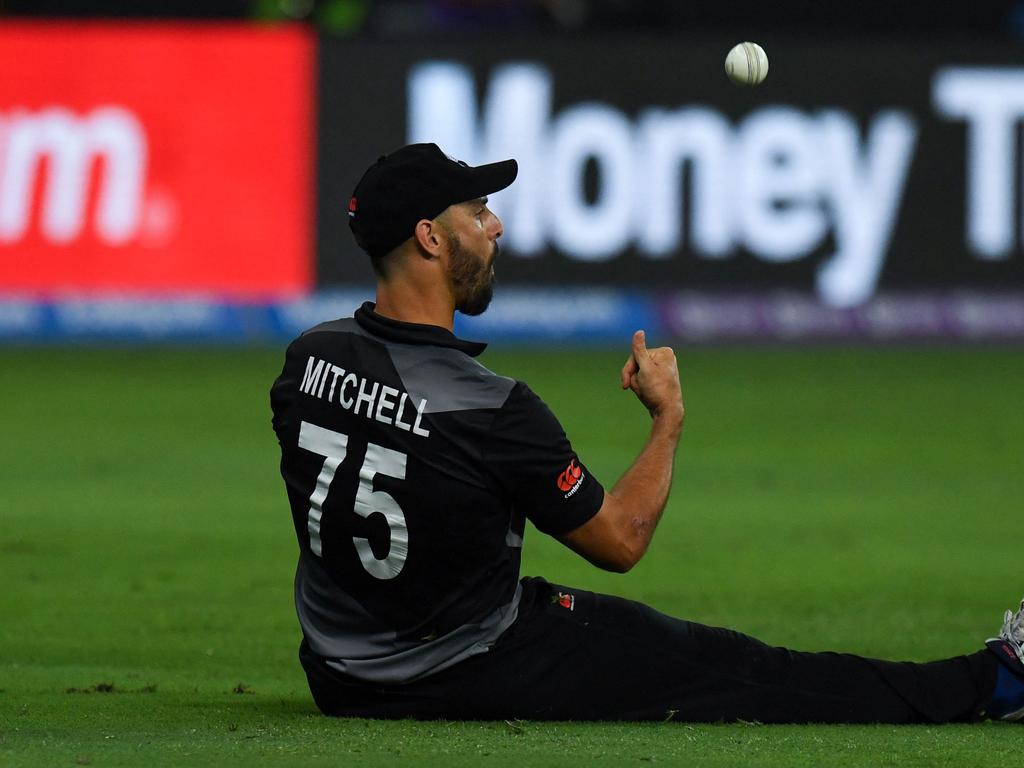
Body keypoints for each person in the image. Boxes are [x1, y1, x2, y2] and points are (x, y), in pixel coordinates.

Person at [270, 142, 1024, 723]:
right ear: (432, 239)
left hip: (338, 673)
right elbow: (621, 540)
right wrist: (667, 420)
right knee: (742, 669)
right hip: (463, 664)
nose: (495, 224)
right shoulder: (491, 409)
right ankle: (995, 680)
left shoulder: (307, 361)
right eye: (477, 212)